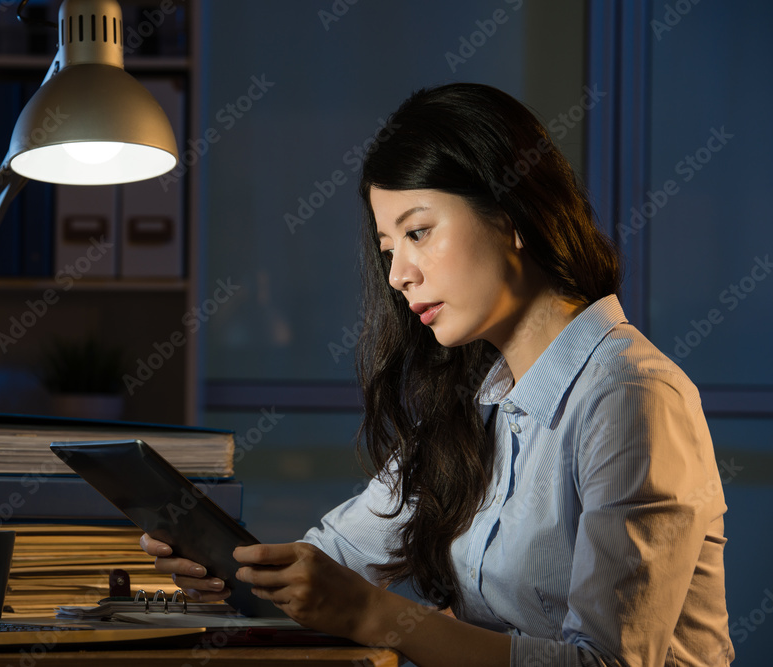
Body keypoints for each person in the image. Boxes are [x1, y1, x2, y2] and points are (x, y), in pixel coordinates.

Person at [141, 82, 734, 666]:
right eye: (387, 246)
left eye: (418, 232)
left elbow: (606, 664)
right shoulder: (478, 401)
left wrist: (376, 617)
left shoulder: (631, 396)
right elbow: (332, 559)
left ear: (512, 218)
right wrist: (223, 565)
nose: (399, 275)